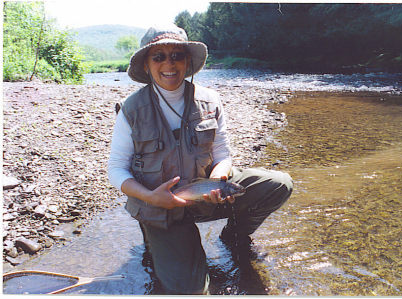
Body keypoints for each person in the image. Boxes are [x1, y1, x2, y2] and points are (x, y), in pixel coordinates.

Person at [108, 24, 293, 295]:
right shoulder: (131, 110)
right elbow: (116, 170)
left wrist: (218, 179)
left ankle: (234, 235)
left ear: (187, 61)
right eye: (158, 56)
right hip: (161, 209)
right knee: (190, 291)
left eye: (177, 56)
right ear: (146, 65)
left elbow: (223, 154)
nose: (169, 64)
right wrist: (151, 198)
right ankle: (156, 240)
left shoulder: (210, 100)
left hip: (206, 196)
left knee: (279, 183)